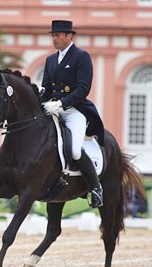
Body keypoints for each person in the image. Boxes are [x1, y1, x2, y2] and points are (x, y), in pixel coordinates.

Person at [41, 20, 105, 208]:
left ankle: (95, 187)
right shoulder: (50, 60)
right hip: (54, 110)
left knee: (75, 150)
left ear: (70, 36)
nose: (55, 39)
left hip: (75, 111)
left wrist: (62, 103)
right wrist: (39, 94)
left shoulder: (81, 56)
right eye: (53, 35)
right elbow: (46, 88)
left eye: (58, 35)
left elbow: (83, 88)